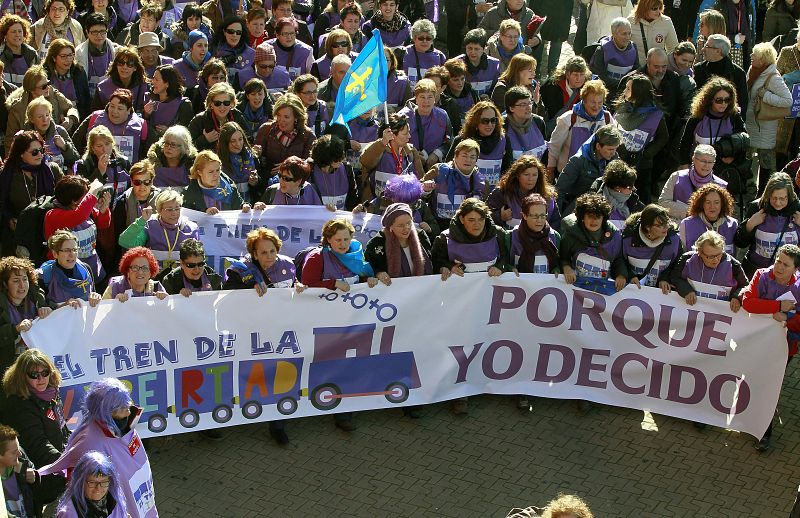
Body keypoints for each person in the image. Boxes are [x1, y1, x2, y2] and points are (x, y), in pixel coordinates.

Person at [222, 227, 299, 442]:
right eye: (263, 253)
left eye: (272, 251)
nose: (269, 257)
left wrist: (300, 287)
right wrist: (248, 289)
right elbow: (225, 298)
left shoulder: (288, 265)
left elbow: (293, 290)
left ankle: (277, 424)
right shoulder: (241, 271)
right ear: (254, 254)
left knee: (279, 376)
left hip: (281, 332)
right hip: (252, 334)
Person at [39, 378, 158, 517]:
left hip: (140, 500)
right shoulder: (90, 442)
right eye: (121, 409)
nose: (127, 413)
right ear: (105, 411)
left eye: (127, 406)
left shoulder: (123, 425)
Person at [739, 242, 800, 451]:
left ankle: (765, 432)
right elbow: (748, 302)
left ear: (795, 269)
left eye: (785, 264)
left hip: (784, 346)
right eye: (777, 261)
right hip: (755, 341)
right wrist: (777, 307)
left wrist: (785, 319)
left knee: (769, 386)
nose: (779, 267)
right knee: (751, 379)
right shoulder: (761, 275)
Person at [679, 77, 750, 206]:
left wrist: (733, 157)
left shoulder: (733, 117)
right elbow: (685, 143)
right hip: (700, 169)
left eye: (727, 100)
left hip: (723, 170)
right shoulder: (698, 117)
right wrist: (684, 166)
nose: (723, 104)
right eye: (719, 100)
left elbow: (744, 141)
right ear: (710, 99)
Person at [2, 349, 70, 469]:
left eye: (45, 373)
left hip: (58, 462)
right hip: (40, 472)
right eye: (34, 375)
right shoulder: (20, 405)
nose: (41, 378)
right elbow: (38, 444)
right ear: (22, 377)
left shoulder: (52, 394)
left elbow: (62, 428)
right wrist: (66, 465)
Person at [0, 131, 63, 257]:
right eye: (34, 152)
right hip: (19, 234)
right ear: (21, 154)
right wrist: (9, 218)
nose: (40, 154)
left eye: (41, 150)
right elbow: (2, 201)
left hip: (47, 231)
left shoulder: (51, 169)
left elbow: (65, 195)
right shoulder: (8, 174)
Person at [611, 73, 669, 203]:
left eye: (628, 89)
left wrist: (647, 154)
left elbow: (663, 138)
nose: (625, 91)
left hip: (641, 166)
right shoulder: (622, 108)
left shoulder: (655, 115)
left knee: (641, 199)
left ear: (638, 92)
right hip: (617, 160)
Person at [746, 42, 793, 194]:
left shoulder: (773, 77)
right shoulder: (754, 71)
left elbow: (788, 101)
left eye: (755, 55)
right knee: (749, 160)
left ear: (763, 59)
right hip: (752, 124)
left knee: (765, 163)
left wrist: (765, 95)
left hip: (765, 127)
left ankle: (763, 194)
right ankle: (749, 191)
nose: (751, 56)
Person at [44, 175, 111, 282]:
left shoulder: (85, 209)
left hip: (92, 268)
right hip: (67, 275)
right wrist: (92, 193)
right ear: (73, 201)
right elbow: (79, 216)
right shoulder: (54, 215)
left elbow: (103, 224)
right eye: (85, 196)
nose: (90, 198)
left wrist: (104, 210)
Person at [0, 257, 52, 391]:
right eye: (16, 281)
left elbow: (57, 310)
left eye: (24, 279)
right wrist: (15, 329)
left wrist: (50, 309)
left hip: (38, 368)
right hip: (10, 368)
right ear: (5, 284)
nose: (22, 285)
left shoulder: (37, 299)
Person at [559, 192, 628, 292]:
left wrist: (621, 274)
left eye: (598, 217)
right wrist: (566, 267)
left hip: (602, 289)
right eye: (590, 216)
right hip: (575, 289)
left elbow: (618, 258)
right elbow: (563, 257)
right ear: (582, 217)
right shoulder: (571, 234)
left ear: (603, 218)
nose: (594, 221)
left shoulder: (614, 235)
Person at [735, 172, 800, 277]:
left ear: (789, 196)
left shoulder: (797, 209)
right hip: (757, 273)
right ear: (768, 195)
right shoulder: (757, 207)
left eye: (782, 198)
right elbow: (740, 242)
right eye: (774, 198)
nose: (778, 203)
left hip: (789, 277)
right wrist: (750, 224)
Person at [118, 189, 199, 271]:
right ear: (159, 210)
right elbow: (124, 241)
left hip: (180, 277)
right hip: (154, 276)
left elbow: (198, 259)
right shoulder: (149, 225)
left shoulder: (191, 228)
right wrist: (142, 220)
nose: (174, 213)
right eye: (169, 209)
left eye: (177, 208)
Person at [432, 197, 511, 280]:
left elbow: (506, 258)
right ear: (462, 219)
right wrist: (448, 267)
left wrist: (500, 267)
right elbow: (436, 262)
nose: (477, 224)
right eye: (471, 220)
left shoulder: (498, 233)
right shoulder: (444, 238)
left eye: (481, 219)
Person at [547, 79, 613, 177]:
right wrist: (550, 169)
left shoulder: (607, 118)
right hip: (568, 175)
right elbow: (555, 146)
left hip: (596, 174)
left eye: (600, 102)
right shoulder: (569, 118)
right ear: (584, 100)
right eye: (593, 102)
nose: (597, 106)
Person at [5, 65, 79, 149]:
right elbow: (10, 140)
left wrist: (70, 118)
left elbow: (71, 108)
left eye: (48, 83)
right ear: (32, 90)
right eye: (43, 86)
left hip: (57, 145)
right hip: (31, 152)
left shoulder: (53, 94)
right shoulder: (17, 109)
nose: (47, 87)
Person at [672, 229, 747, 310]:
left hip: (720, 314)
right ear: (699, 252)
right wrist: (686, 290)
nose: (715, 260)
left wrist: (737, 297)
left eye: (719, 255)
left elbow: (745, 286)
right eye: (710, 257)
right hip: (690, 311)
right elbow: (674, 278)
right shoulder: (687, 259)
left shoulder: (733, 264)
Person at [556, 125, 622, 215]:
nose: (613, 153)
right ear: (598, 146)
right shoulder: (578, 161)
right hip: (577, 209)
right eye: (610, 149)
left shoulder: (614, 160)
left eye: (615, 149)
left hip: (604, 209)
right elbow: (559, 191)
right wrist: (557, 219)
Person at [0, 424, 64, 518]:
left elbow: (37, 490)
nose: (19, 453)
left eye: (18, 448)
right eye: (14, 452)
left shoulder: (20, 459)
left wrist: (35, 478)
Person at [73, 88, 149, 164]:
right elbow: (76, 141)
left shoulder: (141, 125)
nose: (115, 111)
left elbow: (150, 153)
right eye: (112, 106)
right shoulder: (95, 118)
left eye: (120, 108)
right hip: (94, 173)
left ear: (129, 110)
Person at [423, 138, 485, 228]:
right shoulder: (438, 170)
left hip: (464, 229)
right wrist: (425, 189)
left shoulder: (480, 181)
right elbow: (418, 194)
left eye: (472, 157)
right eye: (464, 156)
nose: (468, 160)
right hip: (438, 225)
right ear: (455, 156)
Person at [445, 101, 507, 191]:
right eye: (485, 121)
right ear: (475, 121)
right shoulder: (461, 140)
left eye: (493, 120)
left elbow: (506, 171)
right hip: (466, 194)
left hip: (493, 197)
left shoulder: (504, 140)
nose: (490, 124)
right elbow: (449, 168)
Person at [487, 154, 559, 231]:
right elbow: (484, 216)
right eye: (526, 174)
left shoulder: (548, 196)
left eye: (534, 175)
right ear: (517, 175)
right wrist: (499, 216)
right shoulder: (502, 192)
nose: (530, 179)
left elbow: (556, 223)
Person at [621, 204, 683, 291]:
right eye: (659, 225)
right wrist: (629, 276)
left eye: (666, 222)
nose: (665, 227)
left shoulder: (674, 239)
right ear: (648, 227)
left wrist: (665, 278)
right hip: (632, 290)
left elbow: (678, 265)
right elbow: (619, 260)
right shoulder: (628, 238)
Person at [660, 144, 729, 221]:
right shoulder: (677, 176)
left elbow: (723, 214)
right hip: (677, 226)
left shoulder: (720, 185)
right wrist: (690, 211)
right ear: (693, 159)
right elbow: (663, 202)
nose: (706, 165)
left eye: (710, 162)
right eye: (703, 161)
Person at [255, 93, 315, 179]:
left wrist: (288, 167)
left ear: (296, 117)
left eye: (286, 117)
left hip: (294, 182)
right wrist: (256, 153)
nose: (281, 120)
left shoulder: (308, 135)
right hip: (268, 180)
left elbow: (310, 164)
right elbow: (256, 161)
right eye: (279, 115)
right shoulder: (266, 129)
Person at [397, 78, 453, 172]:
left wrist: (437, 154)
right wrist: (411, 153)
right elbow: (393, 142)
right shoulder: (403, 117)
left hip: (433, 168)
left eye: (430, 97)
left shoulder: (443, 116)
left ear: (435, 99)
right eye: (422, 97)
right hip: (407, 167)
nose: (426, 101)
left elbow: (449, 142)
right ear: (416, 99)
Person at [37, 229, 102, 308]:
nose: (72, 255)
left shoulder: (86, 269)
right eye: (67, 250)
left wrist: (95, 296)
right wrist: (64, 306)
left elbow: (92, 294)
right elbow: (41, 308)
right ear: (55, 254)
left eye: (74, 250)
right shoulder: (45, 275)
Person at [183, 150, 261, 214]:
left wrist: (245, 206)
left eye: (218, 170)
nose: (216, 175)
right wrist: (204, 212)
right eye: (211, 172)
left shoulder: (228, 185)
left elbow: (239, 204)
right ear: (199, 172)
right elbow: (186, 216)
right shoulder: (190, 193)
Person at [55, 450, 128, 517]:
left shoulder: (115, 498)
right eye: (92, 482)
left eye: (104, 482)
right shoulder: (70, 513)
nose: (98, 488)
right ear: (80, 482)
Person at [693, 34, 749, 113]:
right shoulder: (698, 69)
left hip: (727, 121)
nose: (703, 49)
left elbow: (743, 104)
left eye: (707, 46)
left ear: (718, 51)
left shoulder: (737, 73)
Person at [188, 82, 249, 152]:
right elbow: (188, 147)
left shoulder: (237, 115)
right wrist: (205, 140)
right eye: (217, 103)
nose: (222, 107)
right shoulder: (199, 120)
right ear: (210, 104)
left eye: (226, 103)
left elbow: (248, 138)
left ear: (231, 103)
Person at [74, 125, 131, 200]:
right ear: (92, 148)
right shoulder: (84, 165)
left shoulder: (123, 162)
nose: (104, 149)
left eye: (107, 144)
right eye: (99, 146)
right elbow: (82, 193)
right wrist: (100, 172)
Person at [510, 192, 561, 276]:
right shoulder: (511, 236)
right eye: (535, 216)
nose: (539, 220)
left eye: (543, 215)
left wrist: (557, 270)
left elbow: (560, 263)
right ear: (524, 216)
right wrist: (510, 269)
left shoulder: (554, 236)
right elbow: (503, 262)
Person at [24, 97, 79, 173]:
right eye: (40, 117)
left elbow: (76, 160)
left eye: (47, 115)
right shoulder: (24, 137)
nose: (45, 119)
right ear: (31, 119)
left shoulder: (60, 131)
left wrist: (64, 147)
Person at [590, 17, 640, 101]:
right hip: (605, 93)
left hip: (626, 92)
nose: (627, 37)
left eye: (629, 33)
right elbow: (600, 76)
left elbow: (636, 69)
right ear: (614, 34)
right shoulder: (602, 49)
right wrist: (622, 84)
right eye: (624, 34)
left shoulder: (633, 47)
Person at [680, 183, 739, 253]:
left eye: (716, 202)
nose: (712, 206)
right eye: (708, 202)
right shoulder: (686, 225)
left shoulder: (733, 224)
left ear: (722, 204)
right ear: (702, 204)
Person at [43, 39, 91, 121]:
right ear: (54, 58)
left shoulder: (79, 72)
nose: (68, 59)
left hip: (75, 118)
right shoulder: (44, 74)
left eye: (70, 55)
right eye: (63, 56)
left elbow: (85, 102)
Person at [142, 64, 193, 142]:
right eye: (153, 78)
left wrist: (169, 131)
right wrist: (145, 114)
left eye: (157, 80)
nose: (152, 82)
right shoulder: (147, 98)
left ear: (167, 84)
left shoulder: (183, 104)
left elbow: (186, 134)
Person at [308, 134, 359, 210]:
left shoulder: (346, 168)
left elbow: (353, 198)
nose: (340, 161)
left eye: (341, 157)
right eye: (336, 159)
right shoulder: (309, 170)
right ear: (325, 158)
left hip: (341, 219)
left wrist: (356, 209)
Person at [591, 158, 643, 230]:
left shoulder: (633, 200)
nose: (634, 189)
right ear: (617, 188)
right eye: (630, 187)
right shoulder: (594, 201)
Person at [540, 56, 591, 128]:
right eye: (575, 74)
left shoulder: (589, 87)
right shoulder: (551, 86)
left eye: (582, 74)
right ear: (567, 74)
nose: (579, 79)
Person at [91, 47, 146, 113]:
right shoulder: (102, 88)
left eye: (130, 64)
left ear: (135, 68)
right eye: (121, 63)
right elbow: (96, 114)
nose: (124, 67)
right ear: (116, 65)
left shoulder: (143, 86)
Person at [101, 246, 167, 300]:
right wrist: (114, 303)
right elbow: (102, 311)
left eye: (145, 268)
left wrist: (165, 300)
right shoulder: (115, 287)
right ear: (127, 271)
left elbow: (168, 313)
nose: (140, 272)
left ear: (150, 273)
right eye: (135, 267)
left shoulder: (156, 287)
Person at [627, 0, 679, 64]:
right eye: (654, 8)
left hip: (657, 68)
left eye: (660, 8)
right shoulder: (630, 21)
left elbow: (673, 48)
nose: (658, 11)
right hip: (636, 68)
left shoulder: (666, 21)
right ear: (644, 8)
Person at [457, 28, 501, 100]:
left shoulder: (495, 65)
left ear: (484, 49)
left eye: (476, 49)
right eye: (469, 48)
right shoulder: (457, 63)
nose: (473, 52)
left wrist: (489, 95)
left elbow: (496, 88)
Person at [401, 19, 445, 88]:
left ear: (432, 40)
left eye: (428, 38)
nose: (424, 41)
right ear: (414, 38)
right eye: (421, 38)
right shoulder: (403, 53)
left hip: (430, 97)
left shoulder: (440, 56)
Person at [0, 15, 41, 88]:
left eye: (20, 31)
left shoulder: (31, 54)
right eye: (13, 32)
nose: (17, 35)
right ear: (5, 35)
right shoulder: (1, 54)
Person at [212, 15, 255, 83]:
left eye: (238, 32)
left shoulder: (251, 54)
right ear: (224, 32)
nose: (234, 35)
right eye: (231, 31)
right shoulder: (214, 51)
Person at [269, 17, 313, 82]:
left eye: (292, 33)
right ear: (277, 35)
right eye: (285, 34)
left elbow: (310, 77)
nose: (289, 37)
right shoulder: (267, 48)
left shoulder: (306, 51)